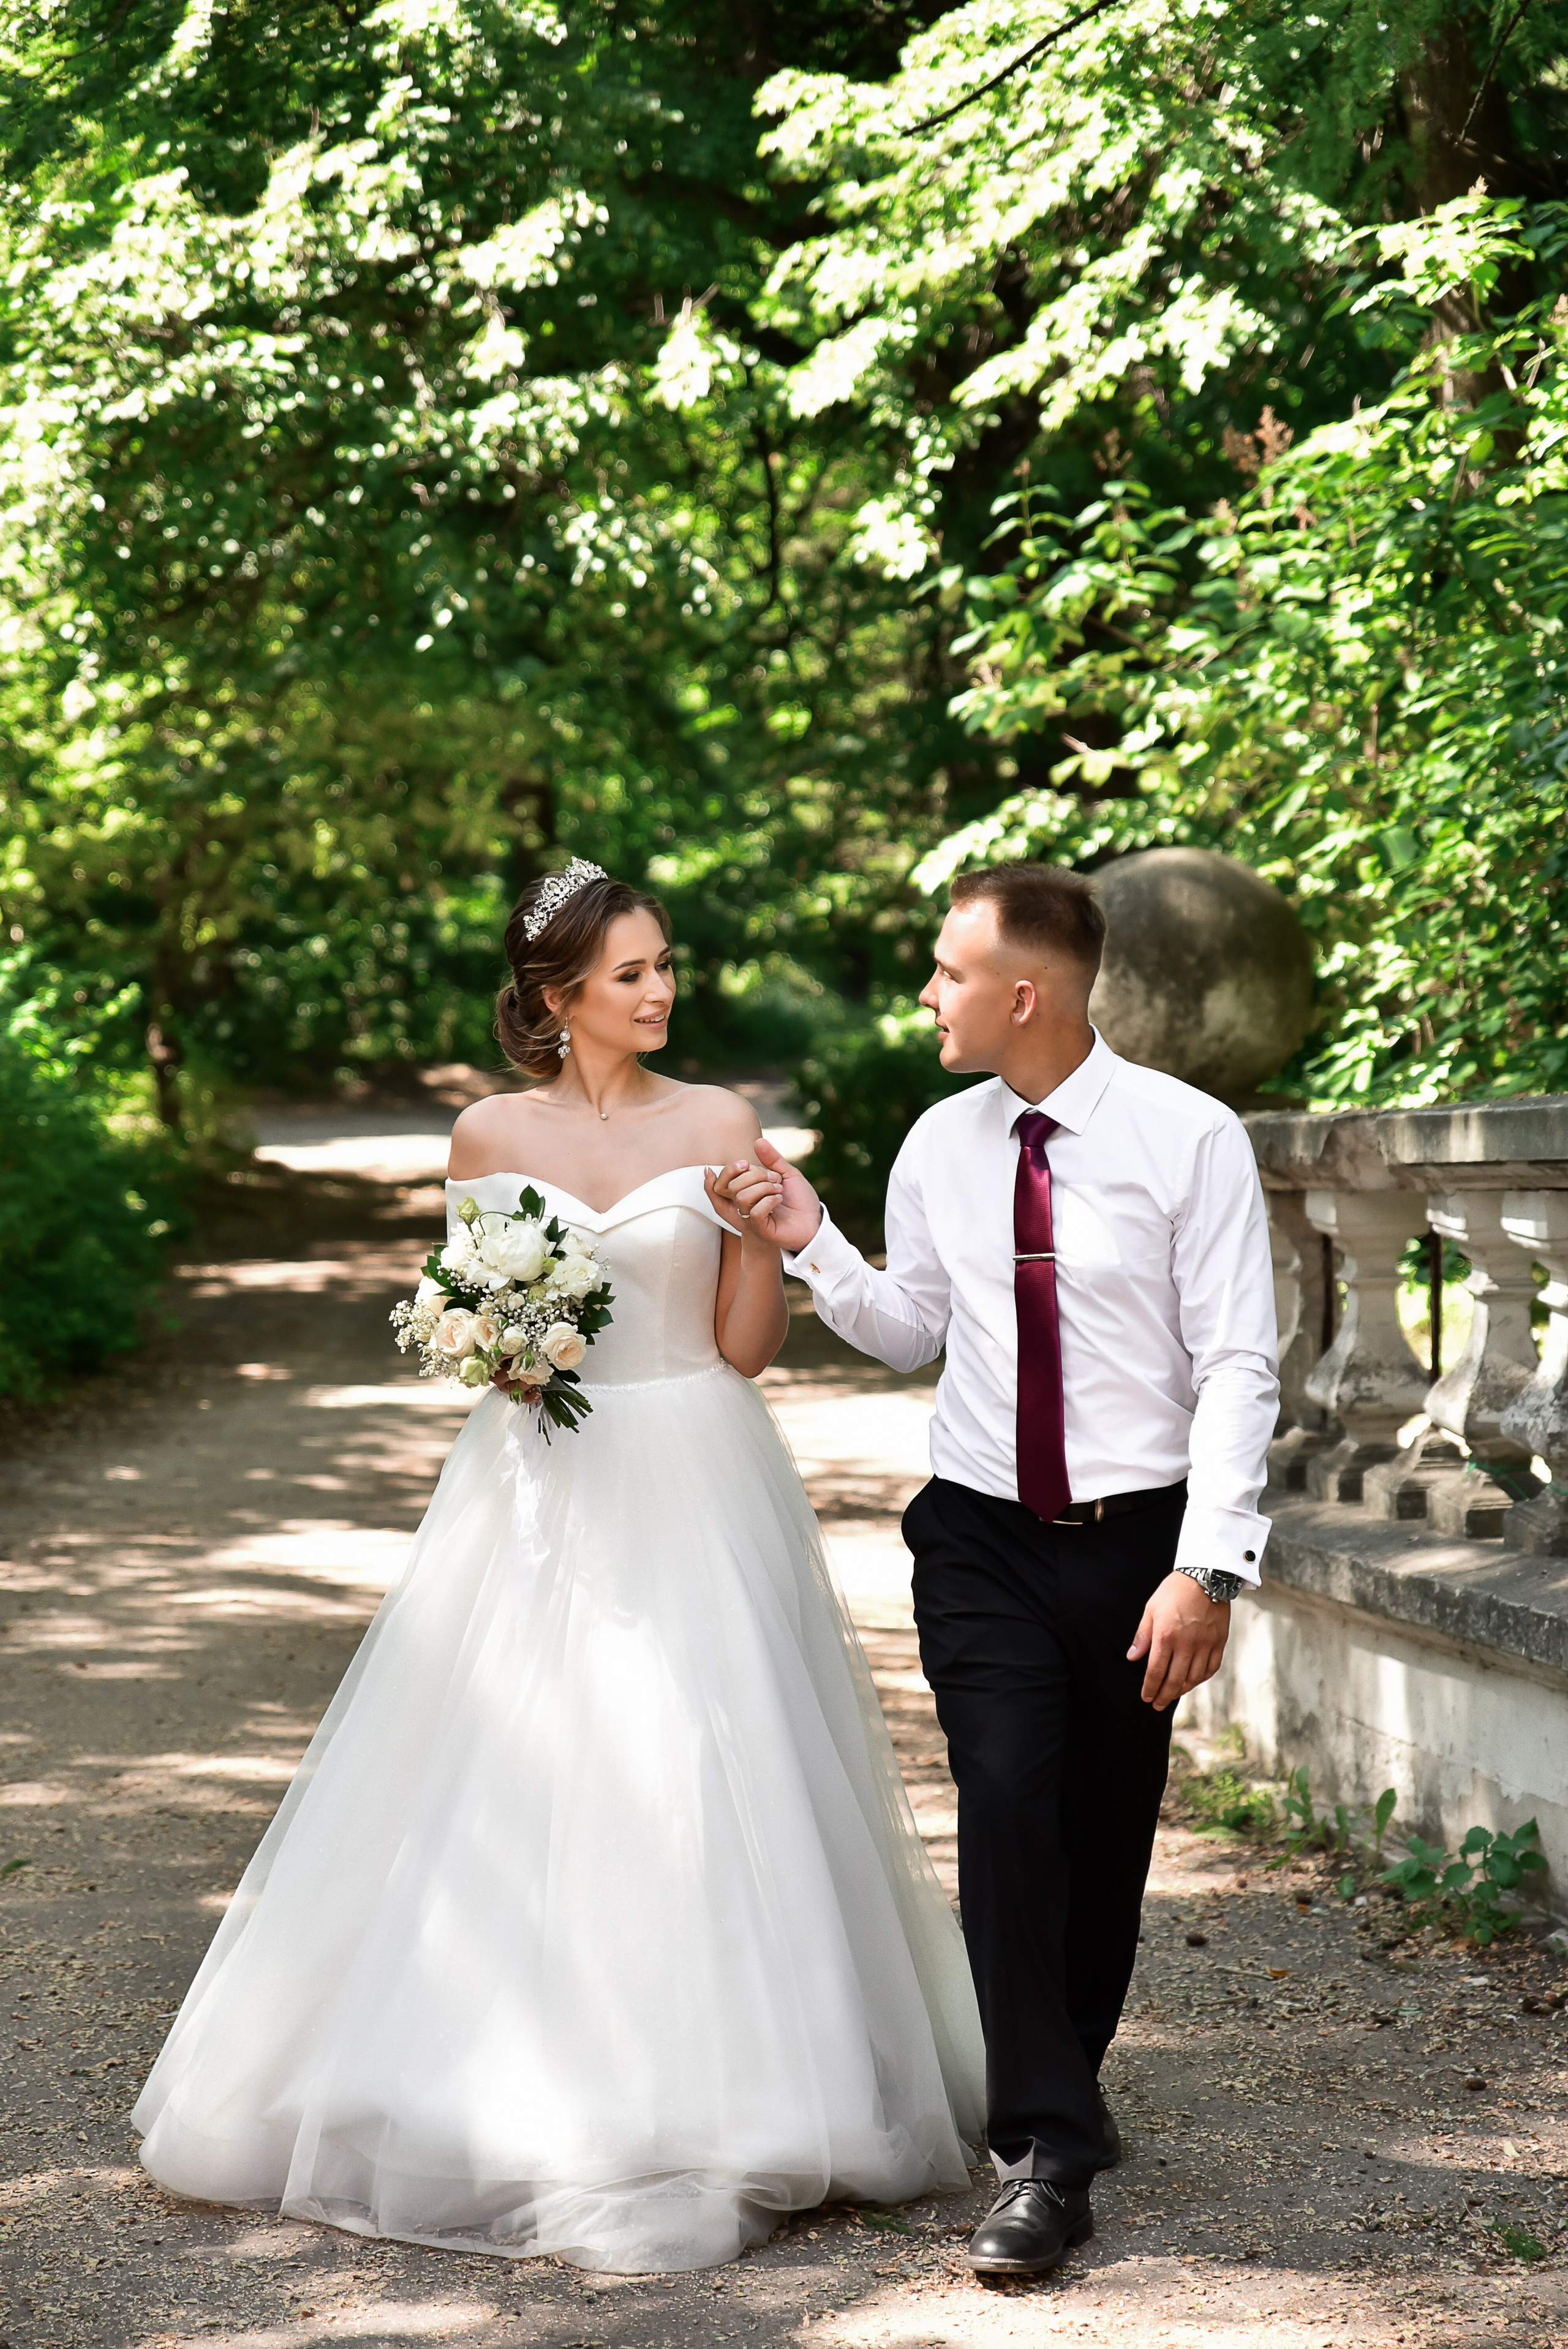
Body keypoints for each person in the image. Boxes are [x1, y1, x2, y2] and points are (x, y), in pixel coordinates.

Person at [134, 859, 985, 2275]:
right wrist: (499, 1352)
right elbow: (469, 1312)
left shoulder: (718, 1121)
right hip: (536, 1474)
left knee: (703, 1757)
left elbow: (742, 1348)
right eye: (632, 973)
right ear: (555, 996)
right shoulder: (482, 1133)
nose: (660, 992)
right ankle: (493, 2079)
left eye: (665, 966)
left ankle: (746, 2086)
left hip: (690, 1459)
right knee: (514, 1757)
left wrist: (763, 1225)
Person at [715, 861, 1279, 2278]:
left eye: (945, 970)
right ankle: (1044, 2149)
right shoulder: (936, 1142)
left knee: (1101, 1837)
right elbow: (912, 1328)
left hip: (1137, 1547)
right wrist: (813, 1244)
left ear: (1019, 992)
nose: (925, 993)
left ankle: (1059, 2083)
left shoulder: (1187, 1138)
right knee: (1009, 1803)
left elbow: (1233, 1366)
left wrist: (1205, 1568)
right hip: (977, 1533)